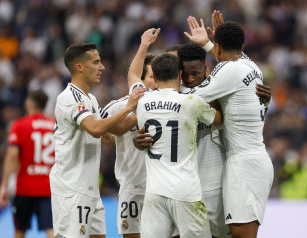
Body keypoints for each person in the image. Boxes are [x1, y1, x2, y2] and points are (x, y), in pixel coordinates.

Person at [184, 13, 274, 238]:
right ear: (242, 46)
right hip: (254, 160)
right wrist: (207, 43)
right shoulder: (252, 66)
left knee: (241, 234)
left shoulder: (227, 70)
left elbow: (192, 99)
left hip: (244, 164)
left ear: (218, 47)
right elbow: (227, 61)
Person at [50, 43, 144, 238]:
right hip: (72, 189)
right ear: (79, 67)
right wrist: (128, 108)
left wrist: (142, 112)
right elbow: (95, 129)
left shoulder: (90, 99)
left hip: (90, 188)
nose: (102, 67)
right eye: (96, 62)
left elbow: (113, 131)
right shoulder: (69, 98)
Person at [136, 53, 222, 238]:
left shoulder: (142, 102)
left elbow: (133, 78)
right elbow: (218, 119)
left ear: (155, 78)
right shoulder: (191, 102)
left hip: (154, 192)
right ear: (180, 75)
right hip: (186, 190)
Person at [102, 28, 160, 238]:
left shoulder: (169, 104)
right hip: (133, 186)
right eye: (153, 76)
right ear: (140, 80)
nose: (157, 81)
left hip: (162, 187)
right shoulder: (117, 107)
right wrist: (121, 137)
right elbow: (102, 132)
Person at [0, 89, 54, 238]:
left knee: (19, 231)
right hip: (49, 188)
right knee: (52, 231)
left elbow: (12, 156)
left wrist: (3, 185)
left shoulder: (19, 125)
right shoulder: (54, 126)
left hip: (25, 188)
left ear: (29, 104)